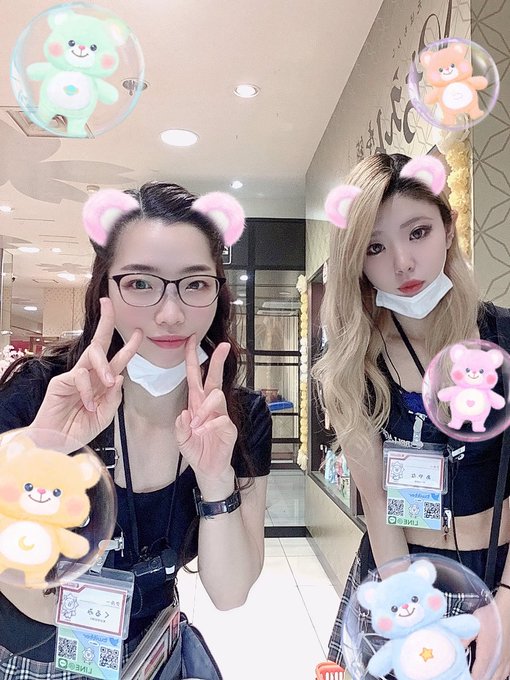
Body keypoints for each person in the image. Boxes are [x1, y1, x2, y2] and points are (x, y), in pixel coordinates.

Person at [0, 182, 272, 678]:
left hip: (153, 654)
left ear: (218, 292)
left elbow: (230, 593)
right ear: (104, 288)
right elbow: (24, 588)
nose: (170, 314)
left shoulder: (237, 416)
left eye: (195, 284)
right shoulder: (41, 394)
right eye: (141, 284)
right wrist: (43, 452)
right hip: (31, 656)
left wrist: (216, 480)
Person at [313, 153, 510, 680]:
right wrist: (409, 617)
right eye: (374, 247)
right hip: (399, 577)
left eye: (418, 232)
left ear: (449, 229)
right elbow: (378, 504)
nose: (401, 263)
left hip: (501, 572)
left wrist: (507, 605)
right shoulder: (354, 364)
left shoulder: (503, 339)